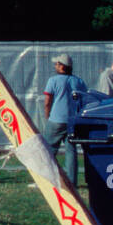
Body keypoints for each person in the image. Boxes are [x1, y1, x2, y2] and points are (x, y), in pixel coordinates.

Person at [43, 54, 88, 185]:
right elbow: (84, 99)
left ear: (62, 66)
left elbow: (47, 101)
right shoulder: (79, 81)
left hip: (56, 119)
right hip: (72, 121)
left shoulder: (53, 80)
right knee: (71, 151)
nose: (55, 66)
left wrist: (48, 116)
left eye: (57, 64)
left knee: (48, 150)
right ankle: (72, 182)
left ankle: (46, 180)